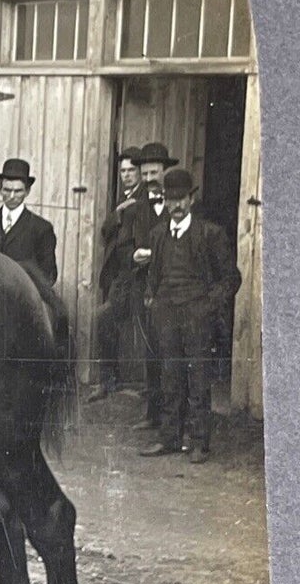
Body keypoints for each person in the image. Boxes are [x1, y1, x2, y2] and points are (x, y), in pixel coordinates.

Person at [139, 168, 241, 465]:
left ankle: (199, 442)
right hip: (167, 315)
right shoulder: (158, 235)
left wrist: (207, 306)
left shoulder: (210, 234)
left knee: (198, 378)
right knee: (169, 376)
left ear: (191, 198)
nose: (176, 206)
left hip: (198, 316)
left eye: (181, 199)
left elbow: (231, 279)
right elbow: (154, 275)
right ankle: (169, 438)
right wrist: (152, 300)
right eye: (170, 200)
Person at [89, 146, 145, 401]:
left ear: (141, 172)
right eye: (122, 171)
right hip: (118, 274)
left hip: (136, 273)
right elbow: (105, 232)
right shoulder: (123, 198)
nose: (126, 175)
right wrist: (119, 211)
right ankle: (109, 381)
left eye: (131, 170)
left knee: (141, 326)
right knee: (105, 321)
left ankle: (144, 386)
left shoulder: (145, 198)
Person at [129, 144, 173, 432]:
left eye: (154, 172)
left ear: (165, 171)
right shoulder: (138, 206)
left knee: (171, 354)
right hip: (147, 286)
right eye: (144, 173)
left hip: (172, 286)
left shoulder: (179, 202)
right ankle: (152, 413)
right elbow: (134, 242)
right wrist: (135, 254)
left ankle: (173, 418)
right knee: (151, 351)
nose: (148, 178)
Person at [0, 157, 57, 284]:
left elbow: (49, 275)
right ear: (0, 190)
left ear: (27, 192)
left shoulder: (41, 228)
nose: (12, 196)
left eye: (18, 191)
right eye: (7, 190)